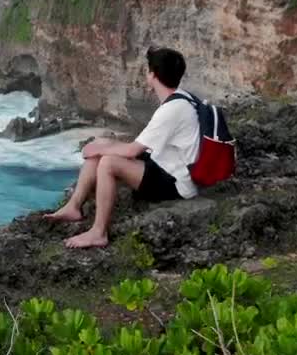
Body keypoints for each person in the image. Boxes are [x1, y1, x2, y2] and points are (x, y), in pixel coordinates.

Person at [45, 46, 200, 248]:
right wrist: (101, 146)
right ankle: (73, 206)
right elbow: (142, 146)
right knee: (101, 145)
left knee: (108, 162)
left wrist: (101, 150)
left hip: (177, 183)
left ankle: (98, 232)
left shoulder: (171, 110)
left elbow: (132, 151)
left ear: (152, 75)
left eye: (148, 70)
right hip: (166, 163)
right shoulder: (182, 98)